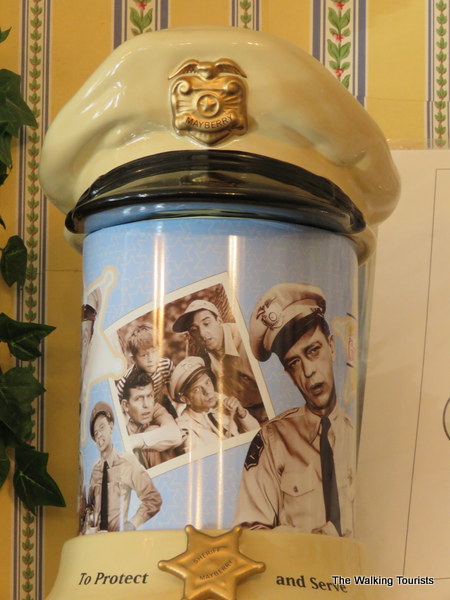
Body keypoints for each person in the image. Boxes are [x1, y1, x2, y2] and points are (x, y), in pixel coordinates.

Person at [233, 283, 355, 537]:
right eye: (294, 363)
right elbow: (250, 535)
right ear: (289, 374)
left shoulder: (359, 435)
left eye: (313, 351)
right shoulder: (272, 441)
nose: (308, 371)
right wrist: (300, 544)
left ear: (331, 347)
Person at [172, 299, 267, 423]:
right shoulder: (206, 356)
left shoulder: (249, 341)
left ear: (219, 321)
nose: (202, 333)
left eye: (207, 323)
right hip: (245, 415)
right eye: (194, 330)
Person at [84, 401, 162, 533]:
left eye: (102, 428)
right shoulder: (94, 471)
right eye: (95, 433)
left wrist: (131, 524)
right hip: (97, 540)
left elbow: (153, 499)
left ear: (111, 427)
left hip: (118, 539)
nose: (99, 435)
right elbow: (90, 506)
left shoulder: (128, 462)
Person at [170, 356, 259, 452]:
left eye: (207, 382)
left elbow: (257, 432)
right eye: (197, 390)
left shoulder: (221, 400)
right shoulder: (185, 426)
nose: (207, 391)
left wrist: (242, 414)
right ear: (186, 399)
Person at [121, 368, 183, 468]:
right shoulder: (119, 423)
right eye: (138, 398)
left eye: (149, 396)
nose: (146, 405)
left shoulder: (155, 408)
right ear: (125, 405)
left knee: (152, 430)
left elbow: (175, 435)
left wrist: (136, 440)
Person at [116, 323, 177, 418]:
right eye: (144, 355)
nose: (151, 359)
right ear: (134, 359)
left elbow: (174, 390)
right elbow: (118, 403)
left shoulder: (165, 365)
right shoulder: (126, 380)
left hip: (160, 402)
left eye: (154, 351)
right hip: (139, 412)